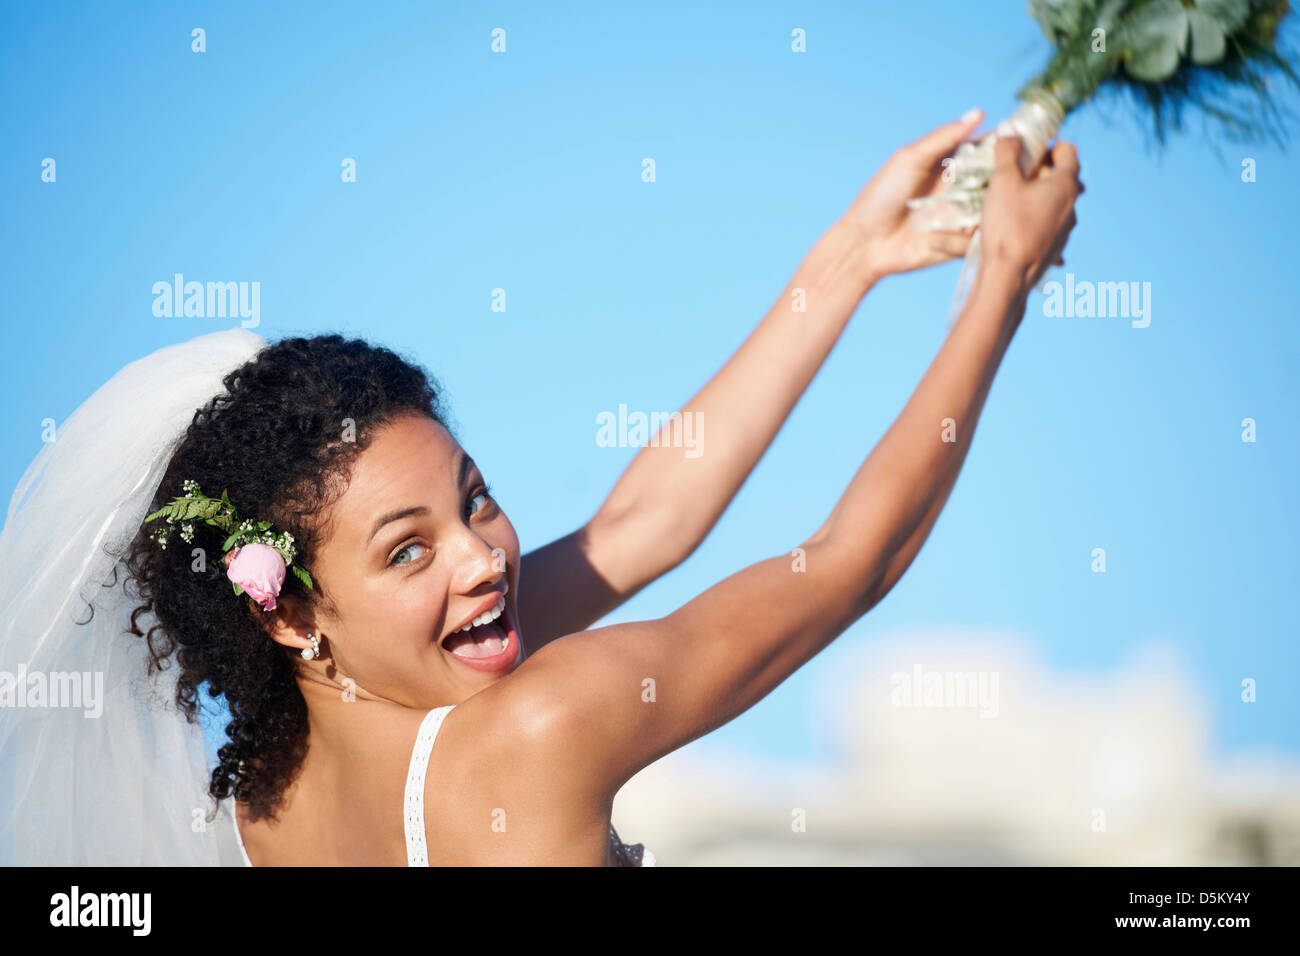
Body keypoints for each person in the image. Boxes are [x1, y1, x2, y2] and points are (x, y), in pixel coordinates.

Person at [0, 114, 1080, 865]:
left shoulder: (246, 810)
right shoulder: (540, 726)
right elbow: (852, 562)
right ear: (287, 610)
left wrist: (849, 257)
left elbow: (639, 525)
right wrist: (1001, 282)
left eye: (473, 499)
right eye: (406, 549)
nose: (483, 555)